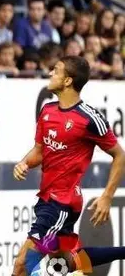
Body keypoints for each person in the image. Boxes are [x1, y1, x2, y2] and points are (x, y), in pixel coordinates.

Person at [12, 56, 125, 276]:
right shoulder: (47, 111)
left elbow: (119, 155)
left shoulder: (90, 118)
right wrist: (24, 163)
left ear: (67, 81)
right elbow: (40, 151)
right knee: (65, 262)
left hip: (61, 203)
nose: (50, 74)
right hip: (47, 199)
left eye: (55, 70)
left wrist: (107, 197)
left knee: (22, 266)